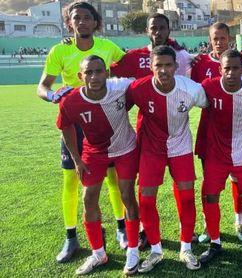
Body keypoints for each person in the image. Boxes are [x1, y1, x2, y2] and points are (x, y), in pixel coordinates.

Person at [36, 1, 127, 263]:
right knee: (71, 181)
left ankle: (122, 229)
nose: (82, 22)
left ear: (96, 23)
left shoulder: (108, 48)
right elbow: (42, 86)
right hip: (74, 125)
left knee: (112, 178)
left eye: (88, 18)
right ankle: (71, 238)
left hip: (104, 122)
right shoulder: (59, 51)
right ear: (70, 23)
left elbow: (133, 62)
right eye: (77, 18)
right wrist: (54, 95)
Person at [110, 11, 193, 250]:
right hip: (148, 134)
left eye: (161, 28)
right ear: (147, 31)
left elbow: (197, 77)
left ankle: (185, 230)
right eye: (153, 28)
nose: (157, 32)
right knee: (146, 188)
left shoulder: (182, 56)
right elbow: (107, 73)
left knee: (182, 186)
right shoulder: (134, 57)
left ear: (169, 30)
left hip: (178, 132)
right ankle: (146, 230)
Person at [125, 45, 206, 272]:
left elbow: (211, 105)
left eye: (167, 65)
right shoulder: (138, 88)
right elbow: (118, 105)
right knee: (147, 199)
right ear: (150, 67)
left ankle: (186, 247)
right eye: (158, 65)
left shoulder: (191, 89)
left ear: (176, 66)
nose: (163, 70)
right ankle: (155, 250)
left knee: (187, 196)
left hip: (180, 147)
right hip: (151, 149)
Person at [56, 55, 140, 275]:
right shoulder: (71, 101)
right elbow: (66, 128)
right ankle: (98, 254)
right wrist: (77, 159)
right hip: (94, 152)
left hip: (125, 149)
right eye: (89, 72)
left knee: (127, 195)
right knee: (88, 198)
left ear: (107, 73)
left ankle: (133, 249)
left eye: (98, 71)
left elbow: (145, 87)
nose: (94, 76)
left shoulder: (121, 88)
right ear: (80, 76)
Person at [198, 49, 242, 265]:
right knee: (211, 197)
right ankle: (215, 242)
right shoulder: (208, 87)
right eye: (227, 68)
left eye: (236, 68)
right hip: (216, 156)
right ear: (220, 69)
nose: (231, 72)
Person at [192, 22, 242, 244]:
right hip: (210, 132)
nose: (219, 42)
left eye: (223, 38)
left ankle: (239, 220)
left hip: (238, 133)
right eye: (214, 38)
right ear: (210, 39)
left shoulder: (239, 63)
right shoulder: (200, 64)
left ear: (229, 38)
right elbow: (194, 95)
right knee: (209, 182)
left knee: (238, 179)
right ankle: (209, 225)